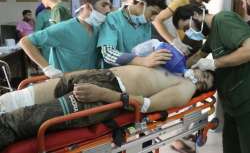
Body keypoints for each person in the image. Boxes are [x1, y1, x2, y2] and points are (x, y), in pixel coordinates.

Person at [0, 64, 214, 150]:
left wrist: (104, 94)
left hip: (104, 93)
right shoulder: (176, 69)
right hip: (100, 76)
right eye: (203, 72)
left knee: (16, 122)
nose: (200, 75)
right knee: (12, 100)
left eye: (205, 79)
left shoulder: (186, 87)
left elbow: (147, 105)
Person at [172, 4, 250, 153]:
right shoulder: (213, 34)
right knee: (231, 148)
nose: (189, 33)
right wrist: (177, 69)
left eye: (188, 27)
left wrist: (216, 63)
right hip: (232, 105)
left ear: (195, 14)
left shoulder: (224, 20)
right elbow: (197, 57)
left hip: (246, 101)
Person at [20, 0, 112, 78]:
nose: (108, 10)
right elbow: (25, 41)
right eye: (104, 5)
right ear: (88, 7)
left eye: (109, 5)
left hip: (89, 84)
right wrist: (47, 68)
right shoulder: (65, 28)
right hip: (66, 86)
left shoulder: (98, 30)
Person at [97, 0, 171, 68]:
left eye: (157, 15)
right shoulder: (112, 19)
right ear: (141, 4)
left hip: (137, 74)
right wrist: (142, 61)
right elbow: (108, 53)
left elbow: (144, 51)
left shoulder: (146, 24)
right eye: (153, 13)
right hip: (116, 75)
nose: (153, 18)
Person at [153, 0, 219, 55]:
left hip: (196, 53)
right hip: (183, 52)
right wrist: (173, 41)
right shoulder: (182, 1)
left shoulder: (203, 8)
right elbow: (157, 20)